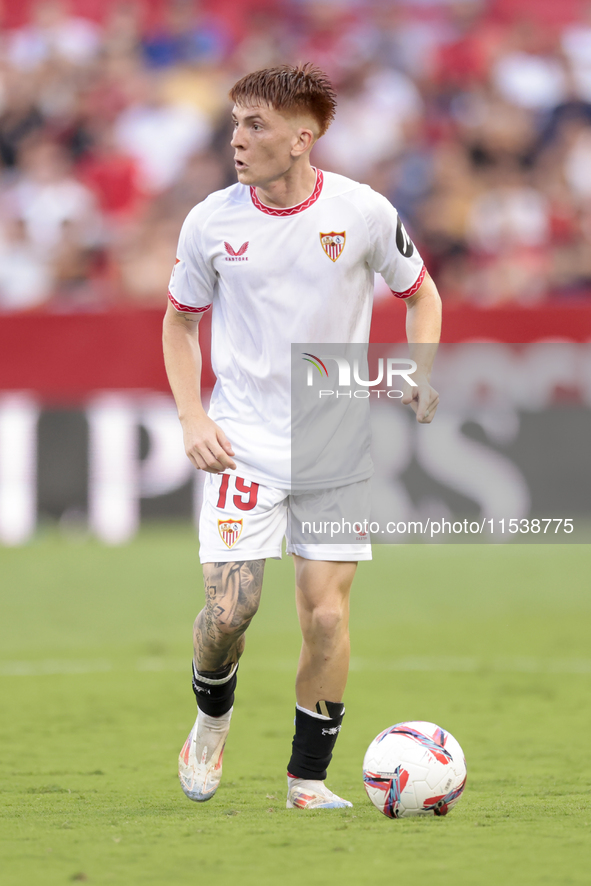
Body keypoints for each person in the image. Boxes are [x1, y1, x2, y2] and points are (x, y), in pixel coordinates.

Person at [162, 63, 442, 810]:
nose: (237, 139)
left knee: (324, 615)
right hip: (242, 440)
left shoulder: (363, 212)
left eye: (255, 125)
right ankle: (210, 724)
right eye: (235, 124)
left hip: (334, 443)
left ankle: (305, 781)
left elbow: (422, 295)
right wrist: (192, 414)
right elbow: (180, 323)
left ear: (301, 138)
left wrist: (417, 371)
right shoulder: (210, 222)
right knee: (229, 613)